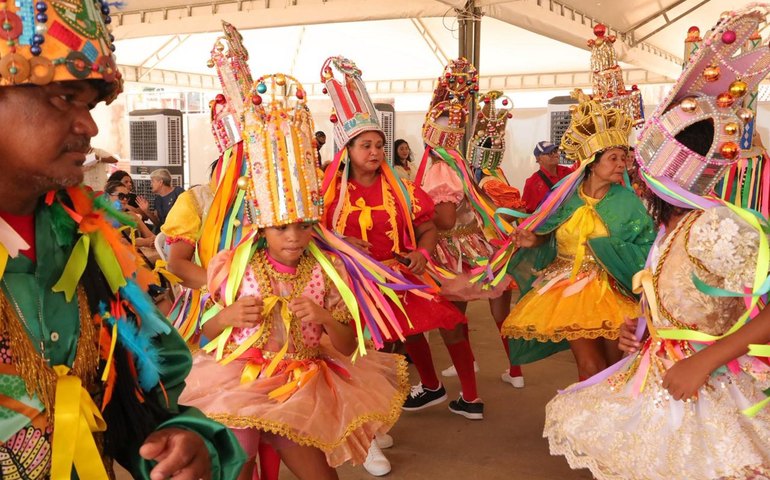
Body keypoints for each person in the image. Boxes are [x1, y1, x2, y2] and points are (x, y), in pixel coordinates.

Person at [0, 1, 245, 478]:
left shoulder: (89, 240)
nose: (89, 126)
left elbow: (143, 388)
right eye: (62, 97)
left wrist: (176, 441)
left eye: (89, 105)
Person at [545, 7, 770, 478]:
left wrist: (705, 359)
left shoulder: (716, 226)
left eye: (640, 172)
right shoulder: (677, 228)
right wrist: (643, 328)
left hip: (714, 387)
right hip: (663, 379)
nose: (636, 183)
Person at [179, 72, 407, 480]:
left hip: (302, 388)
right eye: (282, 228)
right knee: (237, 465)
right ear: (261, 228)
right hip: (242, 383)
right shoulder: (236, 268)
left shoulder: (326, 270)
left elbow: (350, 342)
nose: (294, 237)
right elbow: (203, 333)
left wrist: (323, 319)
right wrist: (227, 319)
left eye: (303, 226)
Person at [321, 56, 480, 424]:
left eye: (379, 144)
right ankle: (372, 424)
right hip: (351, 284)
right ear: (348, 150)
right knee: (365, 351)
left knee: (414, 336)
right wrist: (340, 242)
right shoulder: (328, 194)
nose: (375, 151)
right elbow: (313, 233)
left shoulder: (403, 190)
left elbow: (429, 226)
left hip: (399, 278)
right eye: (366, 145)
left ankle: (387, 418)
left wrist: (424, 252)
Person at [500, 93, 656, 381]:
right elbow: (548, 231)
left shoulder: (627, 202)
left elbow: (648, 248)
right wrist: (533, 240)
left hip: (613, 289)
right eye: (613, 158)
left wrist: (609, 249)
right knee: (588, 366)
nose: (622, 164)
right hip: (567, 288)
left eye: (624, 158)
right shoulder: (565, 195)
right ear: (592, 163)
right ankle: (586, 423)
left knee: (615, 367)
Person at [417, 59, 522, 388]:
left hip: (453, 253)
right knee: (493, 315)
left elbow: (446, 219)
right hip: (479, 244)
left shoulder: (439, 170)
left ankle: (468, 381)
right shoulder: (460, 165)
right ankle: (506, 371)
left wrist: (415, 210)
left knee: (452, 319)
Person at [521, 141, 574, 213]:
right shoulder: (532, 183)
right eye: (549, 153)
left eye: (555, 151)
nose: (555, 155)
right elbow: (528, 212)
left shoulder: (567, 172)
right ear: (538, 158)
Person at [104, 180, 156, 249]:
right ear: (107, 197)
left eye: (127, 196)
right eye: (121, 196)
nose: (125, 199)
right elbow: (115, 241)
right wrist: (142, 242)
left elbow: (151, 236)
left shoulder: (131, 215)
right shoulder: (103, 218)